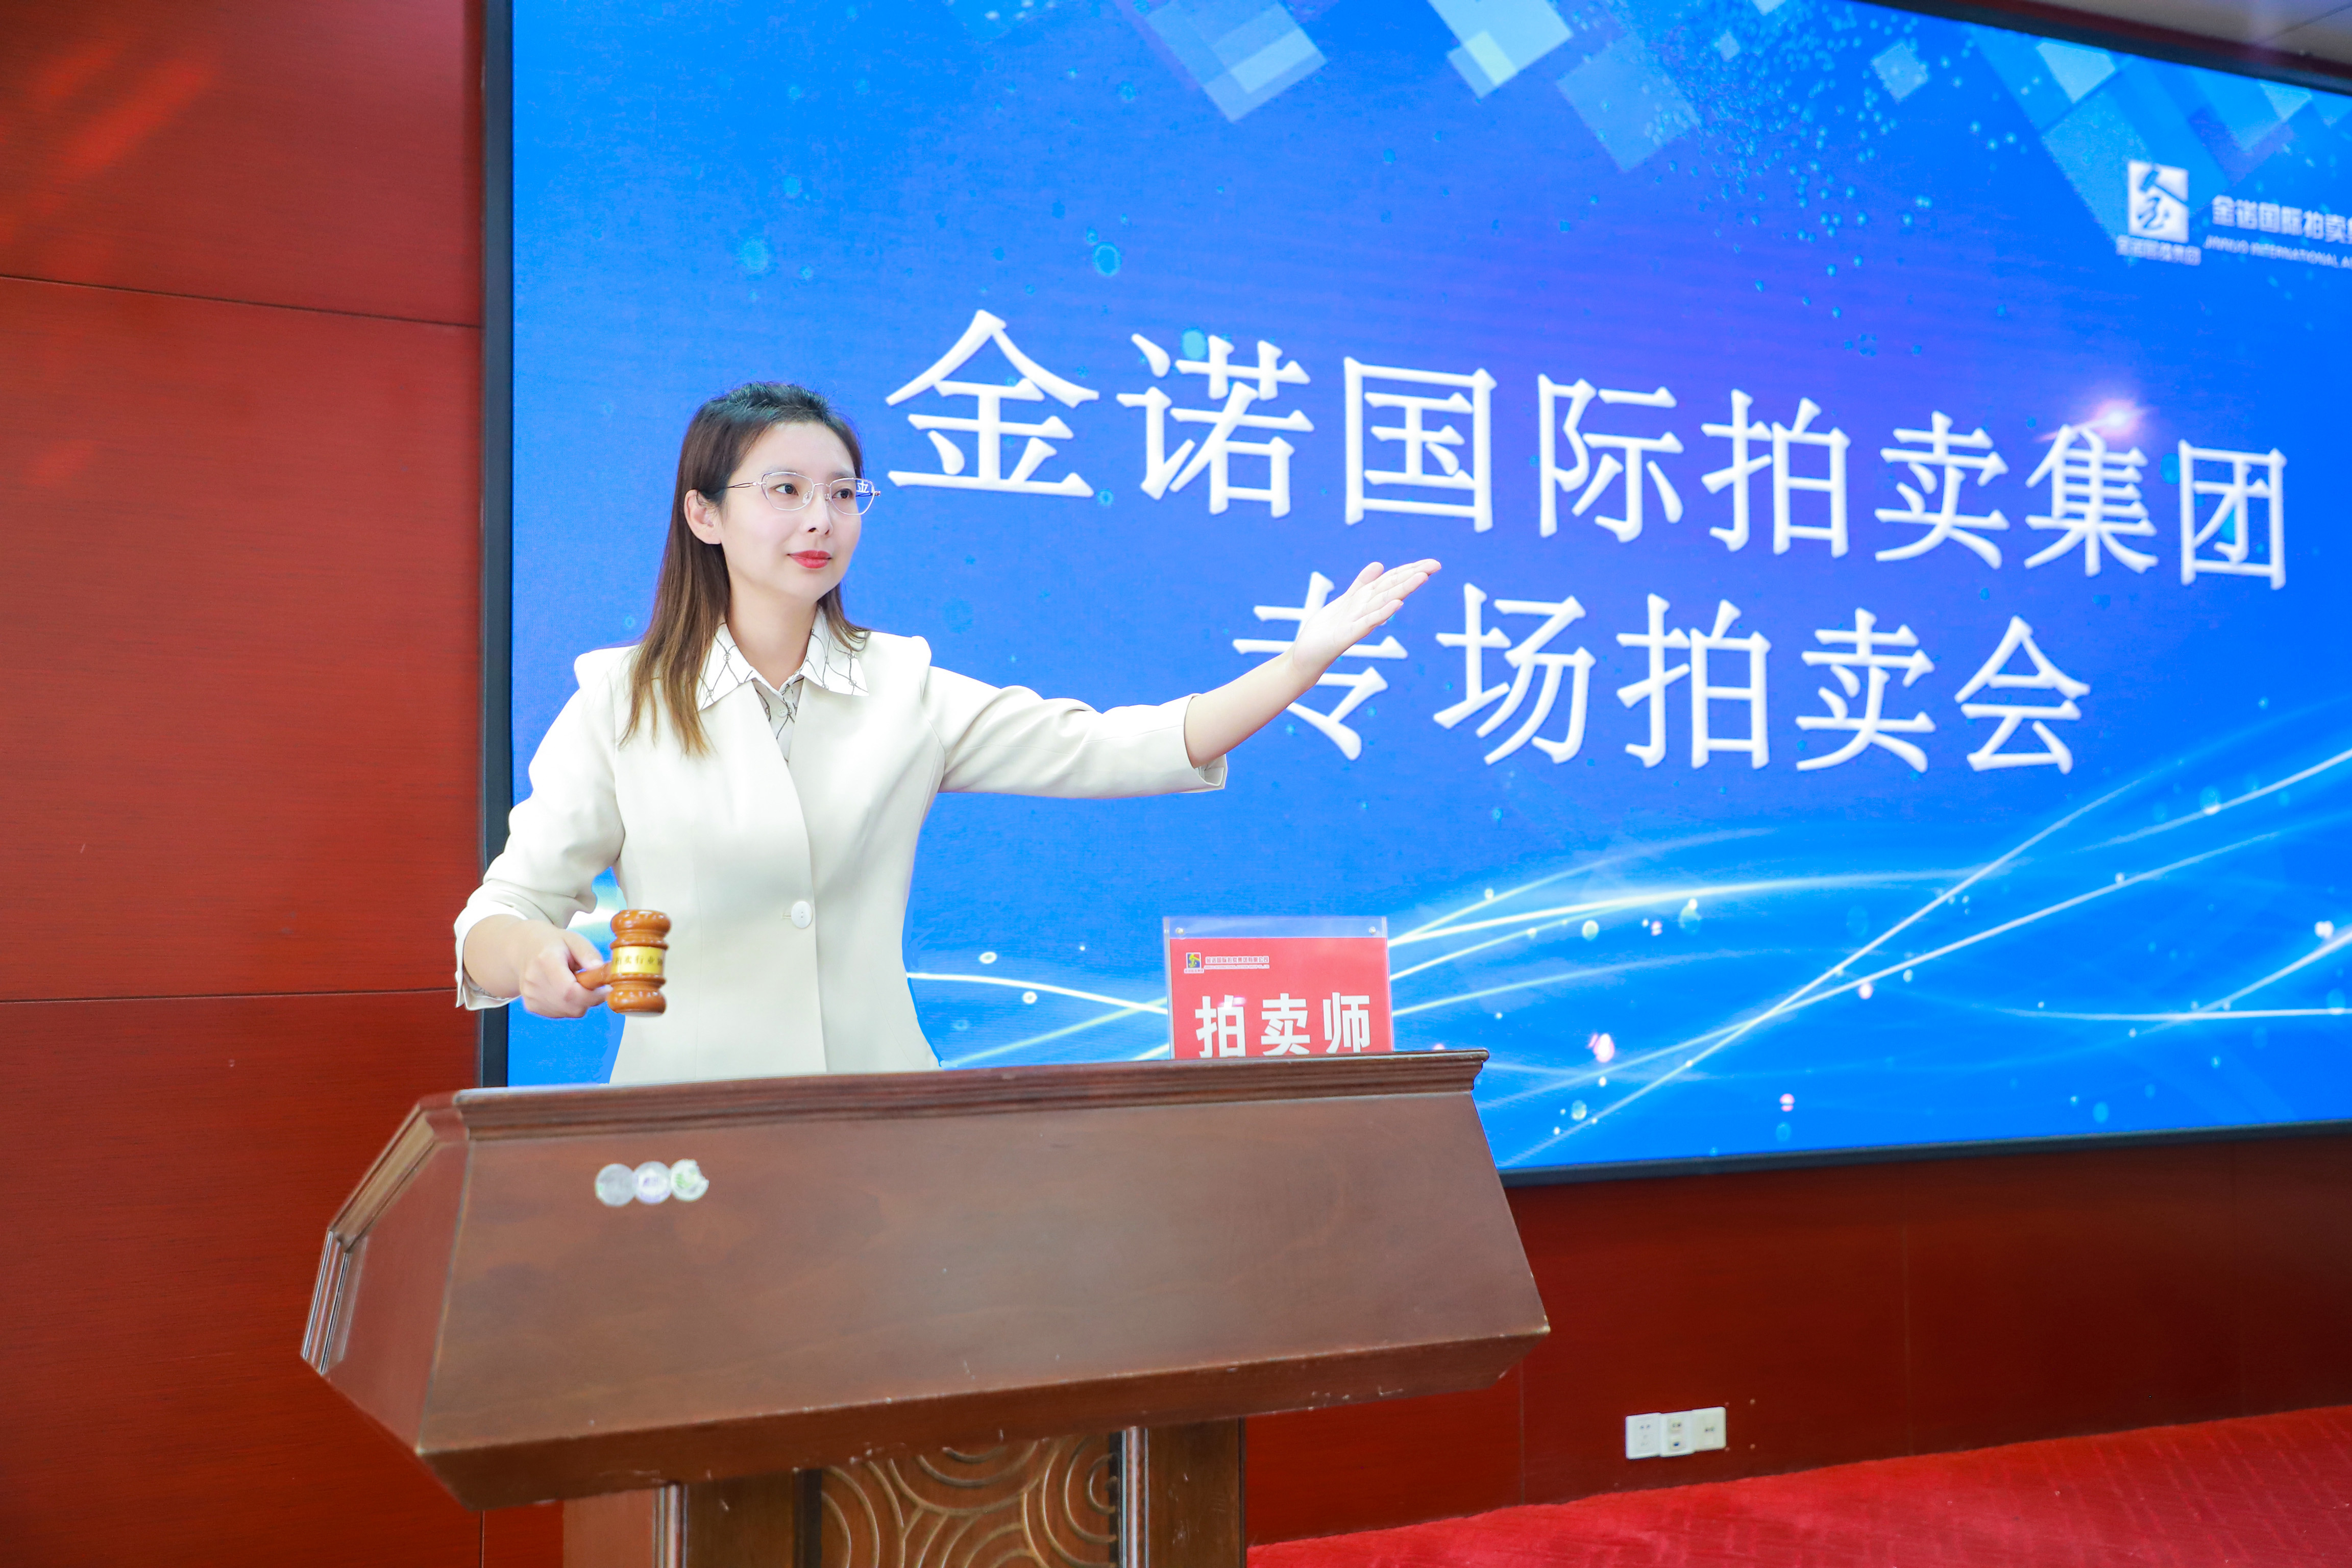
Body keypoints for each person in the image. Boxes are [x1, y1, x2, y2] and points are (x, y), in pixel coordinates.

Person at [456, 382, 1438, 1084]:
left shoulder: (904, 687)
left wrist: (1297, 665)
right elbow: (499, 916)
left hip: (885, 1122)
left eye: (844, 492)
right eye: (785, 490)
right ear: (704, 515)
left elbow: (1114, 746)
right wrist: (533, 955)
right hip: (689, 1133)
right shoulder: (621, 700)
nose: (822, 518)